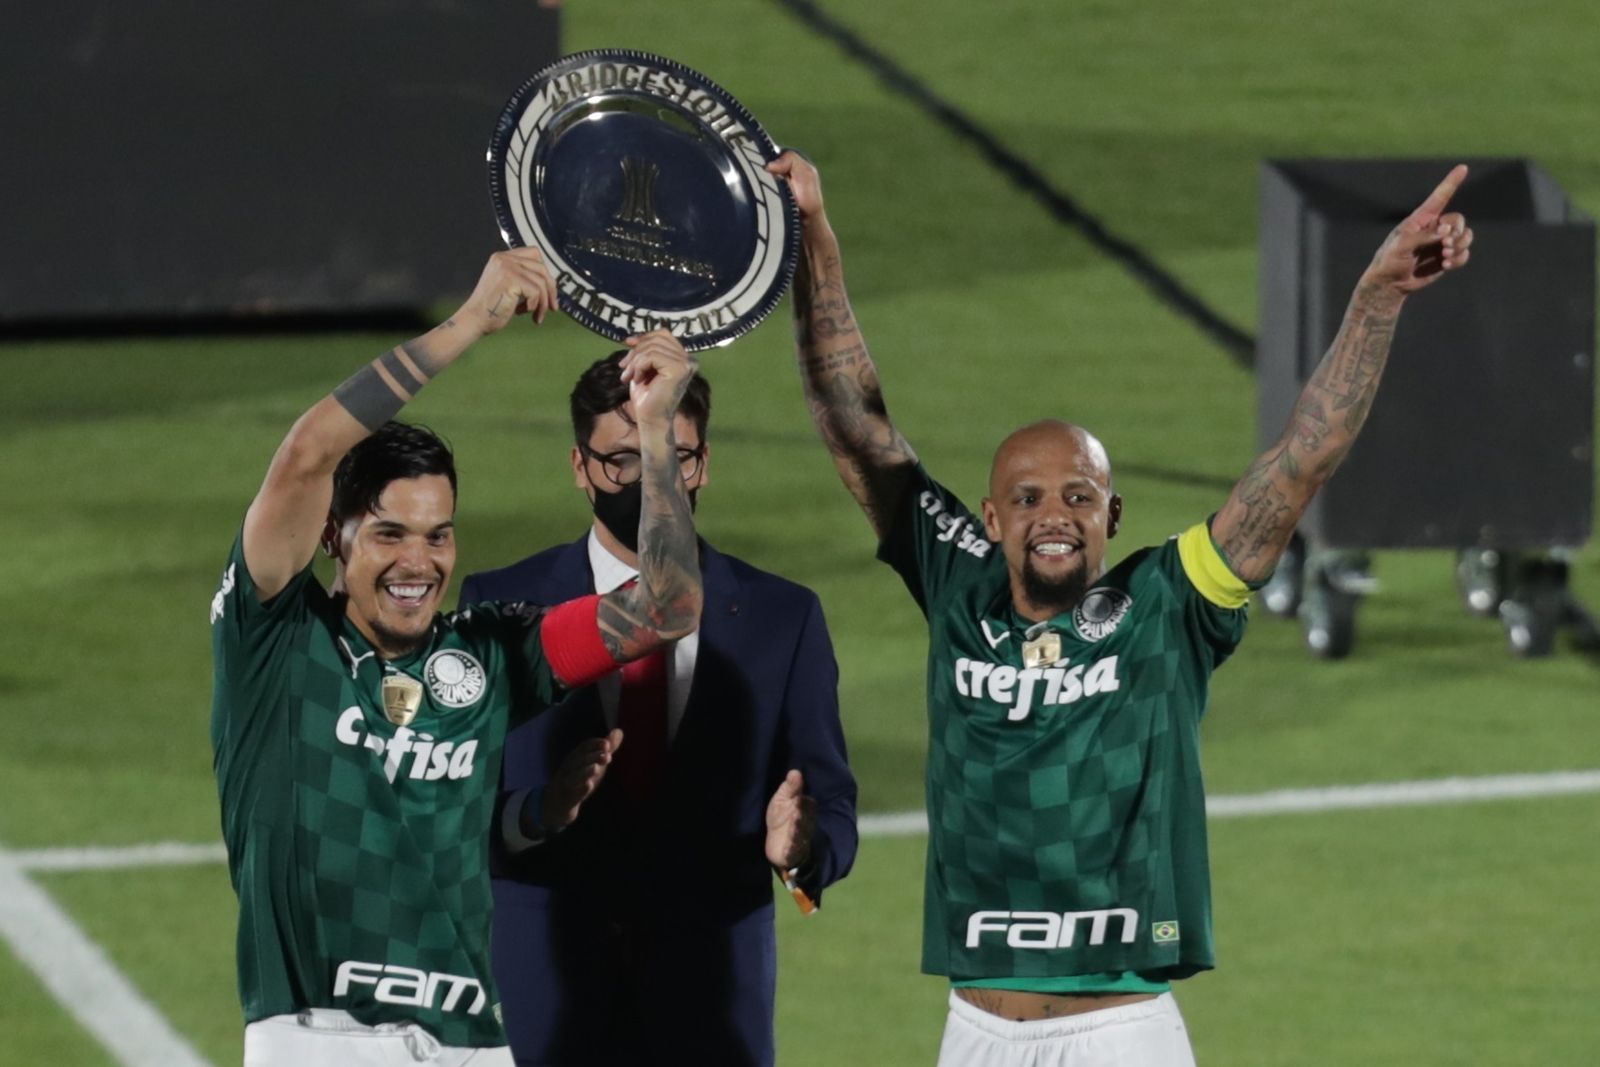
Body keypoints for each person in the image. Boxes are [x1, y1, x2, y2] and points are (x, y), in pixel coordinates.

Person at [770, 149, 1472, 1065]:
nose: (1053, 515)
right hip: (974, 1029)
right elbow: (854, 421)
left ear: (1112, 515)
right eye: (1027, 498)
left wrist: (1376, 301)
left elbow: (1301, 459)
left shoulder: (1167, 602)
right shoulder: (956, 579)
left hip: (1119, 1033)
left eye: (1077, 496)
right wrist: (814, 233)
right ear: (990, 518)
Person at [209, 247, 705, 1066]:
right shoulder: (276, 640)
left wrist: (654, 432)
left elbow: (668, 604)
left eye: (438, 534)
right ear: (335, 535)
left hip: (472, 1045)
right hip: (321, 1038)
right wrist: (473, 320)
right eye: (390, 533)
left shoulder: (490, 653)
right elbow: (305, 456)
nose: (420, 561)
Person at [459, 351, 859, 1066]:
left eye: (669, 457)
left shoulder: (782, 617)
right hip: (548, 1010)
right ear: (579, 467)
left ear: (702, 464)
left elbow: (829, 806)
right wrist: (538, 814)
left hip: (711, 1017)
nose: (649, 484)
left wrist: (801, 853)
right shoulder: (497, 607)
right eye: (624, 460)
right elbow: (453, 813)